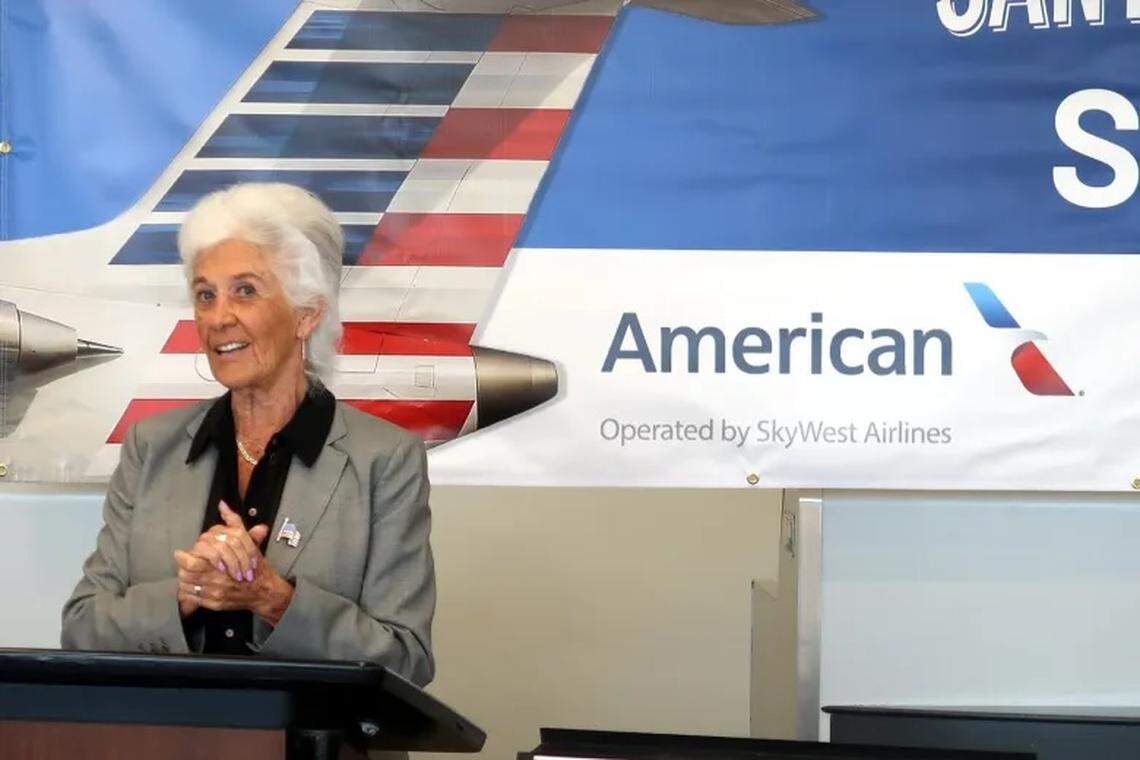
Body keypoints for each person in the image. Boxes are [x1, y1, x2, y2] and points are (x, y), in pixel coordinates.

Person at [61, 183, 435, 685]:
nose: (219, 318)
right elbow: (82, 630)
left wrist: (272, 599)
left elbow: (407, 659)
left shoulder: (384, 459)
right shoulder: (151, 447)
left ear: (307, 314)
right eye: (205, 295)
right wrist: (186, 594)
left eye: (245, 290)